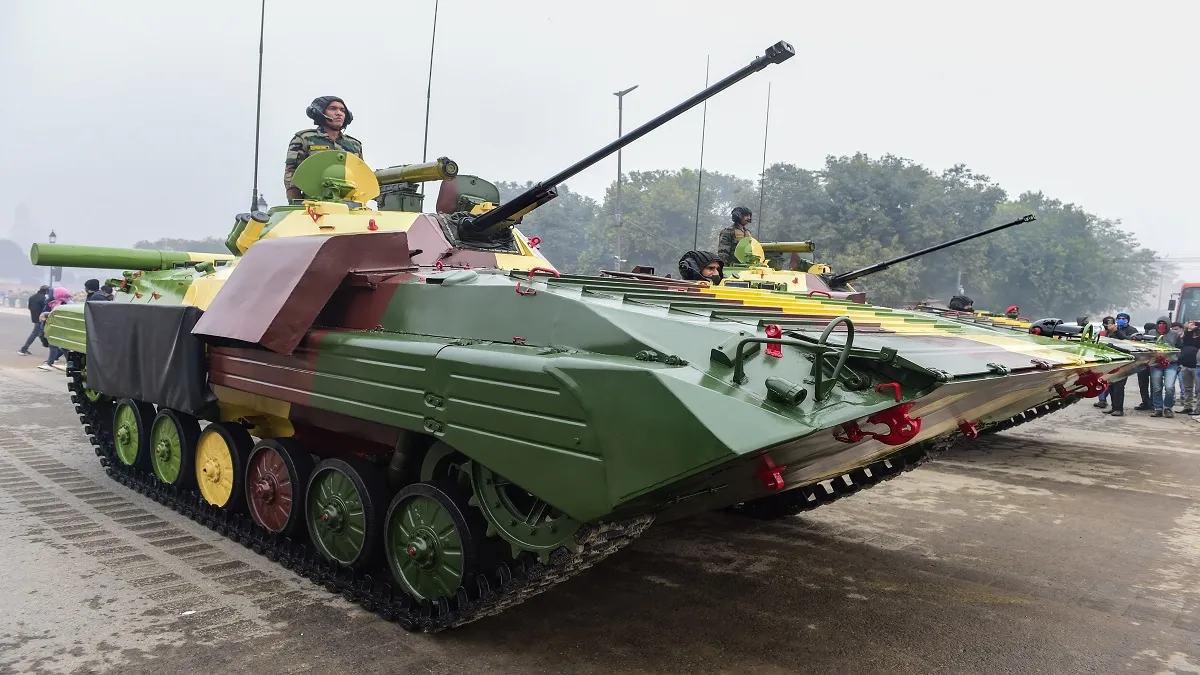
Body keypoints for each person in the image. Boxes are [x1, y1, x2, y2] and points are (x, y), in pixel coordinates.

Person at [284, 96, 363, 202]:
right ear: (320, 112)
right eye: (332, 109)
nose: (339, 113)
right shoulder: (304, 139)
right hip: (313, 204)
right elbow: (291, 174)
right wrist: (296, 204)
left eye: (342, 110)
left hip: (349, 204)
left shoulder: (354, 145)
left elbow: (361, 176)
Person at [1145, 317, 1181, 418]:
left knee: (1169, 387)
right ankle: (1158, 408)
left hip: (1171, 363)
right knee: (1156, 387)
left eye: (1164, 323)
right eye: (1159, 323)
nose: (1161, 325)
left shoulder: (1174, 334)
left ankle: (1168, 407)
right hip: (1156, 364)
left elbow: (1180, 348)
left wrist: (1178, 360)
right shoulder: (1152, 333)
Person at [36, 287, 71, 371]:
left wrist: (45, 314)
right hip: (59, 327)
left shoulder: (61, 304)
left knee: (54, 345)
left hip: (57, 327)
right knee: (63, 346)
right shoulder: (64, 302)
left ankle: (50, 364)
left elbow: (56, 314)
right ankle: (70, 364)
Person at [17, 285, 50, 356]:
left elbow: (29, 307)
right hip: (42, 318)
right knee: (36, 333)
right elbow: (45, 309)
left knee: (38, 333)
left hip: (34, 317)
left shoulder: (32, 297)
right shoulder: (44, 298)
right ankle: (24, 349)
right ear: (46, 291)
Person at [1093, 316, 1117, 409]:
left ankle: (1110, 402)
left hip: (1115, 360)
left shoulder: (1118, 333)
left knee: (1111, 382)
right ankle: (1102, 400)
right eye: (1107, 323)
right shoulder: (1101, 334)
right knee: (1101, 379)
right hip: (1103, 359)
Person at [1178, 320, 1199, 415]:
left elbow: (1196, 344)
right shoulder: (1187, 334)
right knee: (1187, 388)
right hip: (1185, 364)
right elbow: (1186, 343)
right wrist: (1189, 330)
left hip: (1197, 365)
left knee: (1198, 389)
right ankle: (1188, 407)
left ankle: (1198, 408)